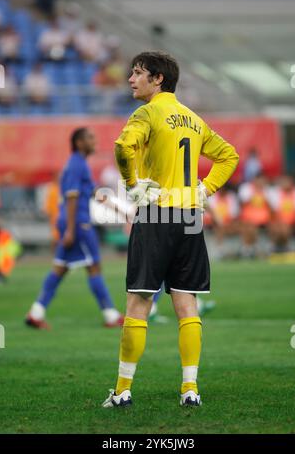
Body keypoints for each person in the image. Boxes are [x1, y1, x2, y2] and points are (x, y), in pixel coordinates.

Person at [102, 51, 239, 408]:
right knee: (186, 305)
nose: (131, 79)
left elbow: (122, 146)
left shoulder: (147, 112)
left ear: (158, 79)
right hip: (190, 218)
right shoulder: (194, 119)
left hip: (156, 215)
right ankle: (190, 390)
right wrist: (205, 189)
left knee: (138, 302)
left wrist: (132, 183)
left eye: (138, 73)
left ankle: (122, 391)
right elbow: (229, 156)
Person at [25, 127, 124, 329]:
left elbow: (94, 192)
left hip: (72, 222)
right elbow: (72, 197)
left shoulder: (79, 165)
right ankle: (111, 315)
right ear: (79, 142)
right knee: (94, 266)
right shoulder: (76, 165)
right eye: (90, 138)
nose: (95, 141)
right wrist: (70, 229)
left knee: (60, 268)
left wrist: (119, 210)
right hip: (78, 223)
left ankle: (36, 313)